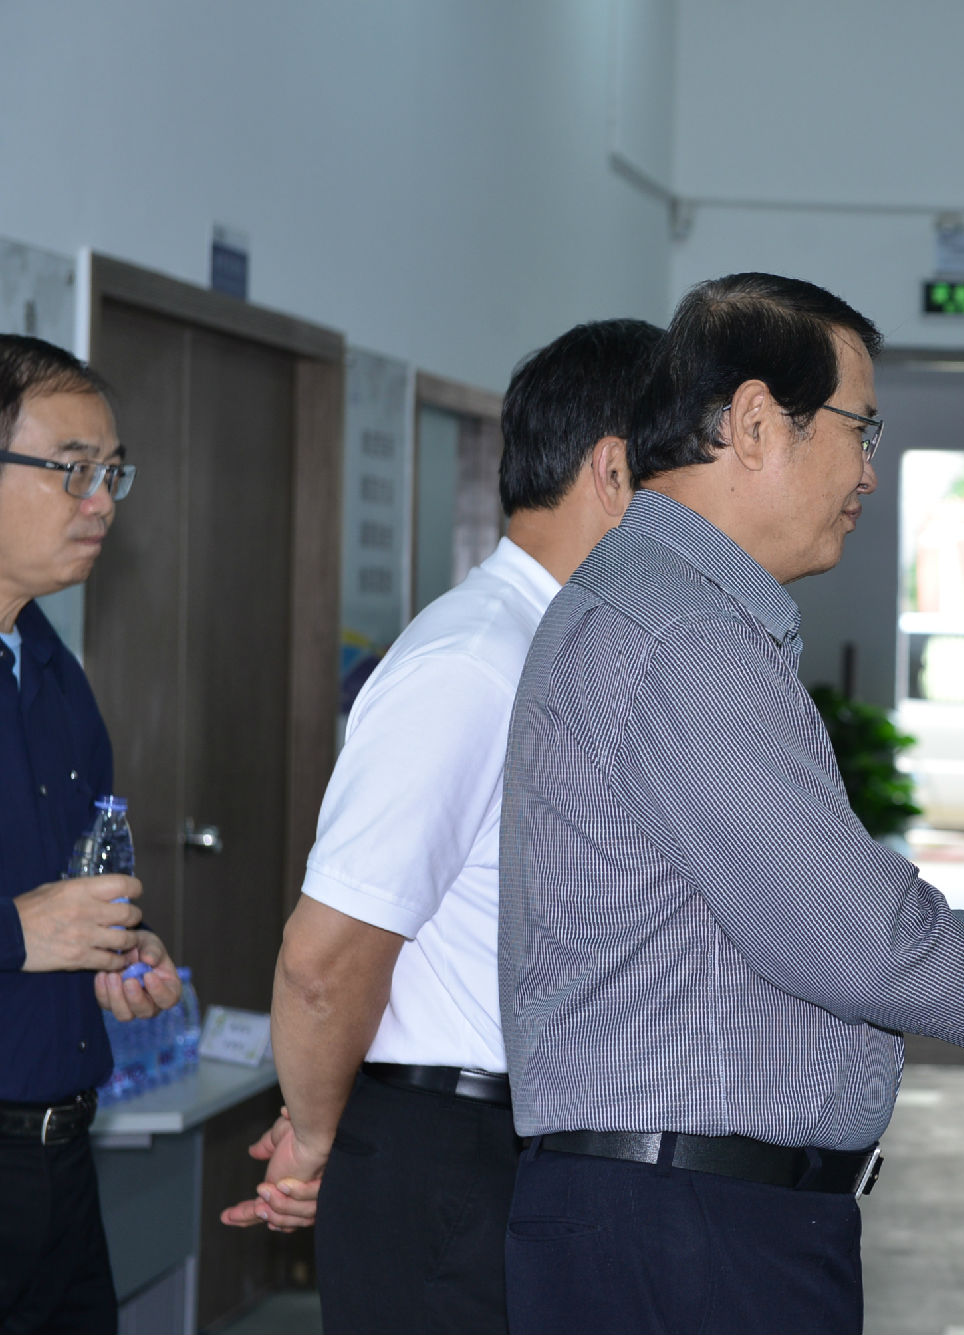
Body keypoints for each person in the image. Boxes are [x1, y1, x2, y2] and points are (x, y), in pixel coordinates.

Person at [497, 272, 964, 1335]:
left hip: (680, 1218)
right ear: (754, 423)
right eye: (860, 429)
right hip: (685, 1237)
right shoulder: (685, 637)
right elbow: (852, 938)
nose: (870, 472)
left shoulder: (659, 609)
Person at [216, 320, 666, 1333]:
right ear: (613, 472)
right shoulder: (473, 663)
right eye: (685, 481)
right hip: (445, 1152)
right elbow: (326, 958)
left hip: (519, 1141)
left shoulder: (556, 647)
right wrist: (317, 1136)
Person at [0, 335, 183, 1332]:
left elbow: (64, 891)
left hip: (63, 1153)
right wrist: (19, 932)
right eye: (72, 470)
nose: (103, 501)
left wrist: (118, 949)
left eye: (113, 472)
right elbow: (26, 923)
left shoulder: (52, 670)